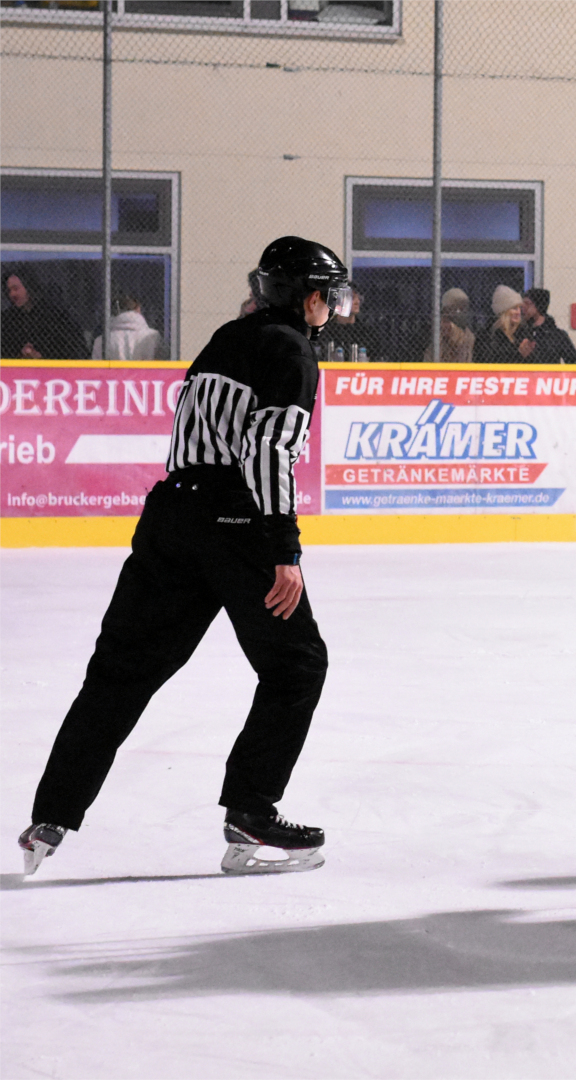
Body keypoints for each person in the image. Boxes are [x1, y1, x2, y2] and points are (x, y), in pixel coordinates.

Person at [16, 236, 342, 879]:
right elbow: (269, 454)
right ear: (308, 296)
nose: (331, 305)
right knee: (298, 666)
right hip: (236, 524)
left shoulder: (228, 335)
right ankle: (251, 812)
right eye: (328, 293)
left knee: (120, 671)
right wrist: (283, 550)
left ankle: (49, 817)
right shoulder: (292, 351)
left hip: (170, 517)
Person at [2, 269, 89, 360]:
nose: (12, 294)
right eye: (9, 290)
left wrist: (42, 357)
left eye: (16, 289)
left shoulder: (56, 316)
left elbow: (76, 350)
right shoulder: (7, 319)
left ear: (29, 287)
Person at [518, 288, 576, 365]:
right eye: (522, 304)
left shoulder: (557, 335)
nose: (523, 308)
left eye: (527, 304)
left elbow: (575, 362)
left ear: (538, 306)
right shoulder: (520, 332)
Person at [91, 293, 163, 361]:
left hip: (113, 374)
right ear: (138, 309)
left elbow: (97, 370)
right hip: (145, 374)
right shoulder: (153, 336)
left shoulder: (102, 341)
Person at [474, 284, 530, 365]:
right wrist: (518, 354)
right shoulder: (487, 336)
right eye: (514, 308)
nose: (518, 312)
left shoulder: (522, 333)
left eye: (519, 308)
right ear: (504, 311)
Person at [424, 287, 474, 364]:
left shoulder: (468, 333)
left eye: (464, 309)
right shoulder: (441, 326)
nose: (462, 313)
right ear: (447, 309)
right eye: (458, 309)